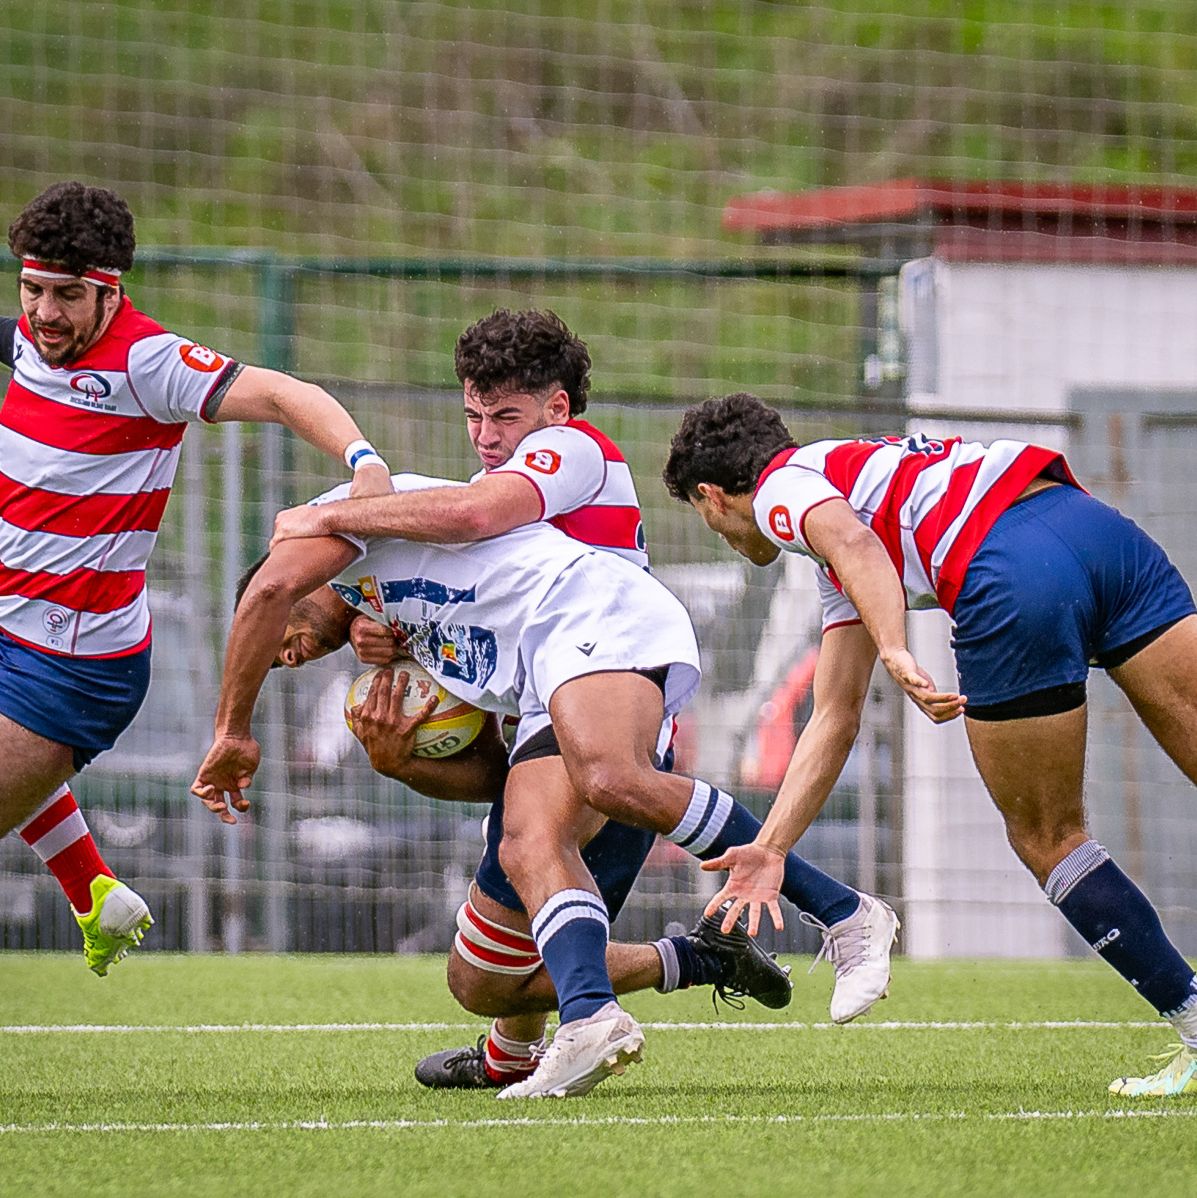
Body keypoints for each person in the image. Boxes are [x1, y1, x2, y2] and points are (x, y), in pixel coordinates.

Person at [661, 392, 1197, 1099]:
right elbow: (832, 715)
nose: (726, 534)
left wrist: (901, 647)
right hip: (1090, 531)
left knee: (1049, 838)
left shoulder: (780, 490)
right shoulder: (854, 482)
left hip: (1007, 566)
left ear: (711, 496)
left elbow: (858, 547)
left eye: (706, 520)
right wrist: (770, 848)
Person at [0, 182, 390, 1101]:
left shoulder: (148, 362)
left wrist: (363, 465)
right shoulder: (33, 337)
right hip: (8, 628)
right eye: (34, 289)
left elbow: (281, 391)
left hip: (70, 665)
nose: (43, 312)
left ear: (110, 291)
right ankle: (94, 890)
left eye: (68, 295)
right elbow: (2, 336)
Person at [270, 310, 898, 1030]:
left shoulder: (569, 453)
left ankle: (837, 911)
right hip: (547, 706)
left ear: (557, 408)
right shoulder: (508, 495)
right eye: (473, 414)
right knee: (484, 974)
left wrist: (336, 515)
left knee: (565, 819)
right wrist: (401, 648)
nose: (484, 435)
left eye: (504, 415)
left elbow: (475, 518)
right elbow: (484, 648)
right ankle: (675, 972)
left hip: (605, 682)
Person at [195, 472, 877, 1098]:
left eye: (273, 639)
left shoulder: (337, 522)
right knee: (483, 977)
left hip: (593, 626)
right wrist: (400, 762)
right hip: (560, 692)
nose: (283, 655)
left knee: (584, 798)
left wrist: (233, 728)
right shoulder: (403, 625)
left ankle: (835, 914)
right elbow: (501, 775)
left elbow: (277, 584)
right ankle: (695, 962)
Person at [343, 663, 791, 1091]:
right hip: (595, 739)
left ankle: (705, 957)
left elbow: (490, 772)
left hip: (584, 744)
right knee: (540, 935)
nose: (290, 653)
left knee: (478, 981)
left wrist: (404, 765)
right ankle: (512, 1057)